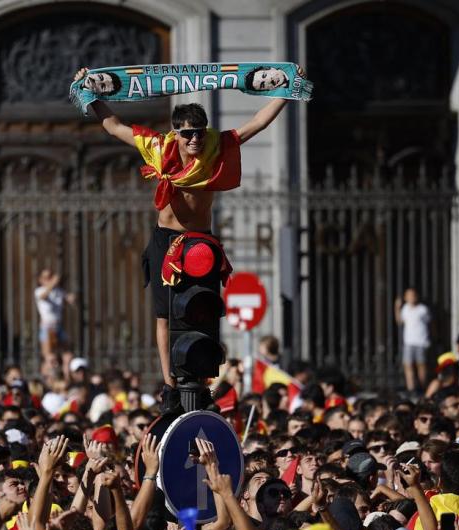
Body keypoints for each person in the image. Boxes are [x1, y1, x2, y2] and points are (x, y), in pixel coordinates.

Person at [74, 66, 298, 387]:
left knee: (204, 309)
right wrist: (89, 93)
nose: (194, 138)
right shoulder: (157, 148)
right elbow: (114, 127)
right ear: (175, 133)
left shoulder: (214, 146)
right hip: (166, 241)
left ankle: (204, 372)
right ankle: (169, 379)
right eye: (188, 132)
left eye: (199, 131)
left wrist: (287, 91)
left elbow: (257, 123)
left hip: (200, 243)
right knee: (165, 314)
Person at [395, 288, 431, 394]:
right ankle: (411, 388)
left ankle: (422, 386)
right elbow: (400, 321)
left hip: (421, 341)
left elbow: (430, 323)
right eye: (409, 295)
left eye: (413, 295)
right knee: (408, 364)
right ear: (405, 298)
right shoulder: (405, 309)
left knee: (421, 365)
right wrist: (396, 308)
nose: (411, 297)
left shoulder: (422, 309)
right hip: (409, 341)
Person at [35, 268, 75, 359]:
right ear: (41, 280)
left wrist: (71, 298)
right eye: (46, 277)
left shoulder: (59, 291)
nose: (49, 279)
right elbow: (43, 296)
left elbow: (68, 298)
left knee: (68, 353)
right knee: (49, 356)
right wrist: (52, 283)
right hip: (47, 326)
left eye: (50, 277)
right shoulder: (39, 290)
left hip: (58, 326)